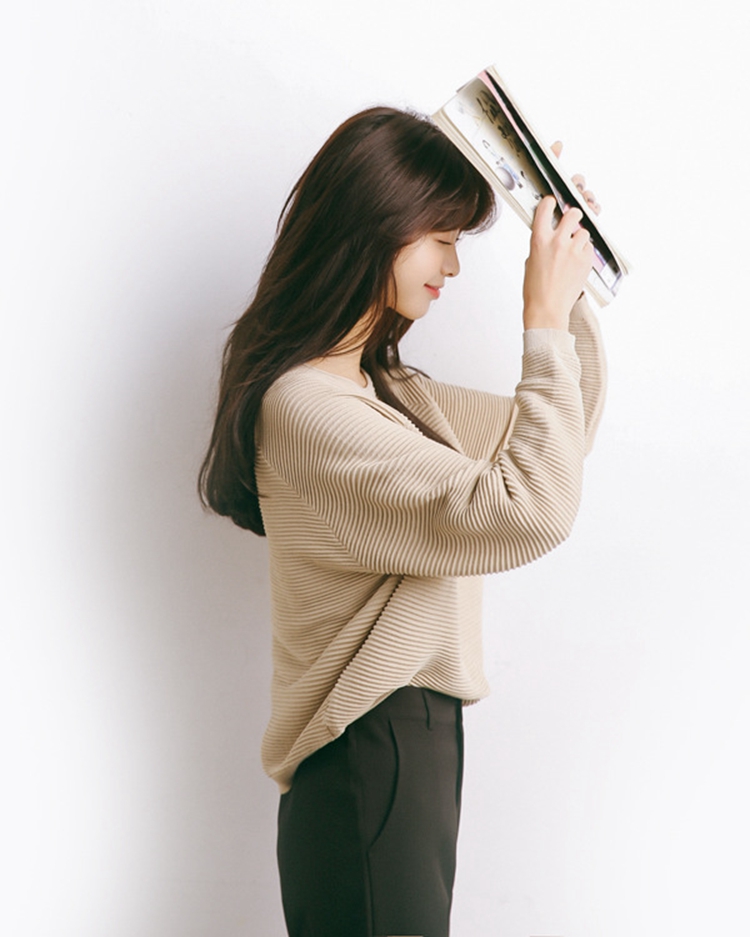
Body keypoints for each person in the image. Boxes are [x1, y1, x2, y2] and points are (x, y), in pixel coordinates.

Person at [199, 105, 606, 937]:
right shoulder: (308, 408)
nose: (453, 264)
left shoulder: (389, 391)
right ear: (373, 225)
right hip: (369, 753)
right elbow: (530, 505)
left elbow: (558, 441)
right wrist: (539, 317)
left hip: (403, 754)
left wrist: (571, 291)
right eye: (441, 236)